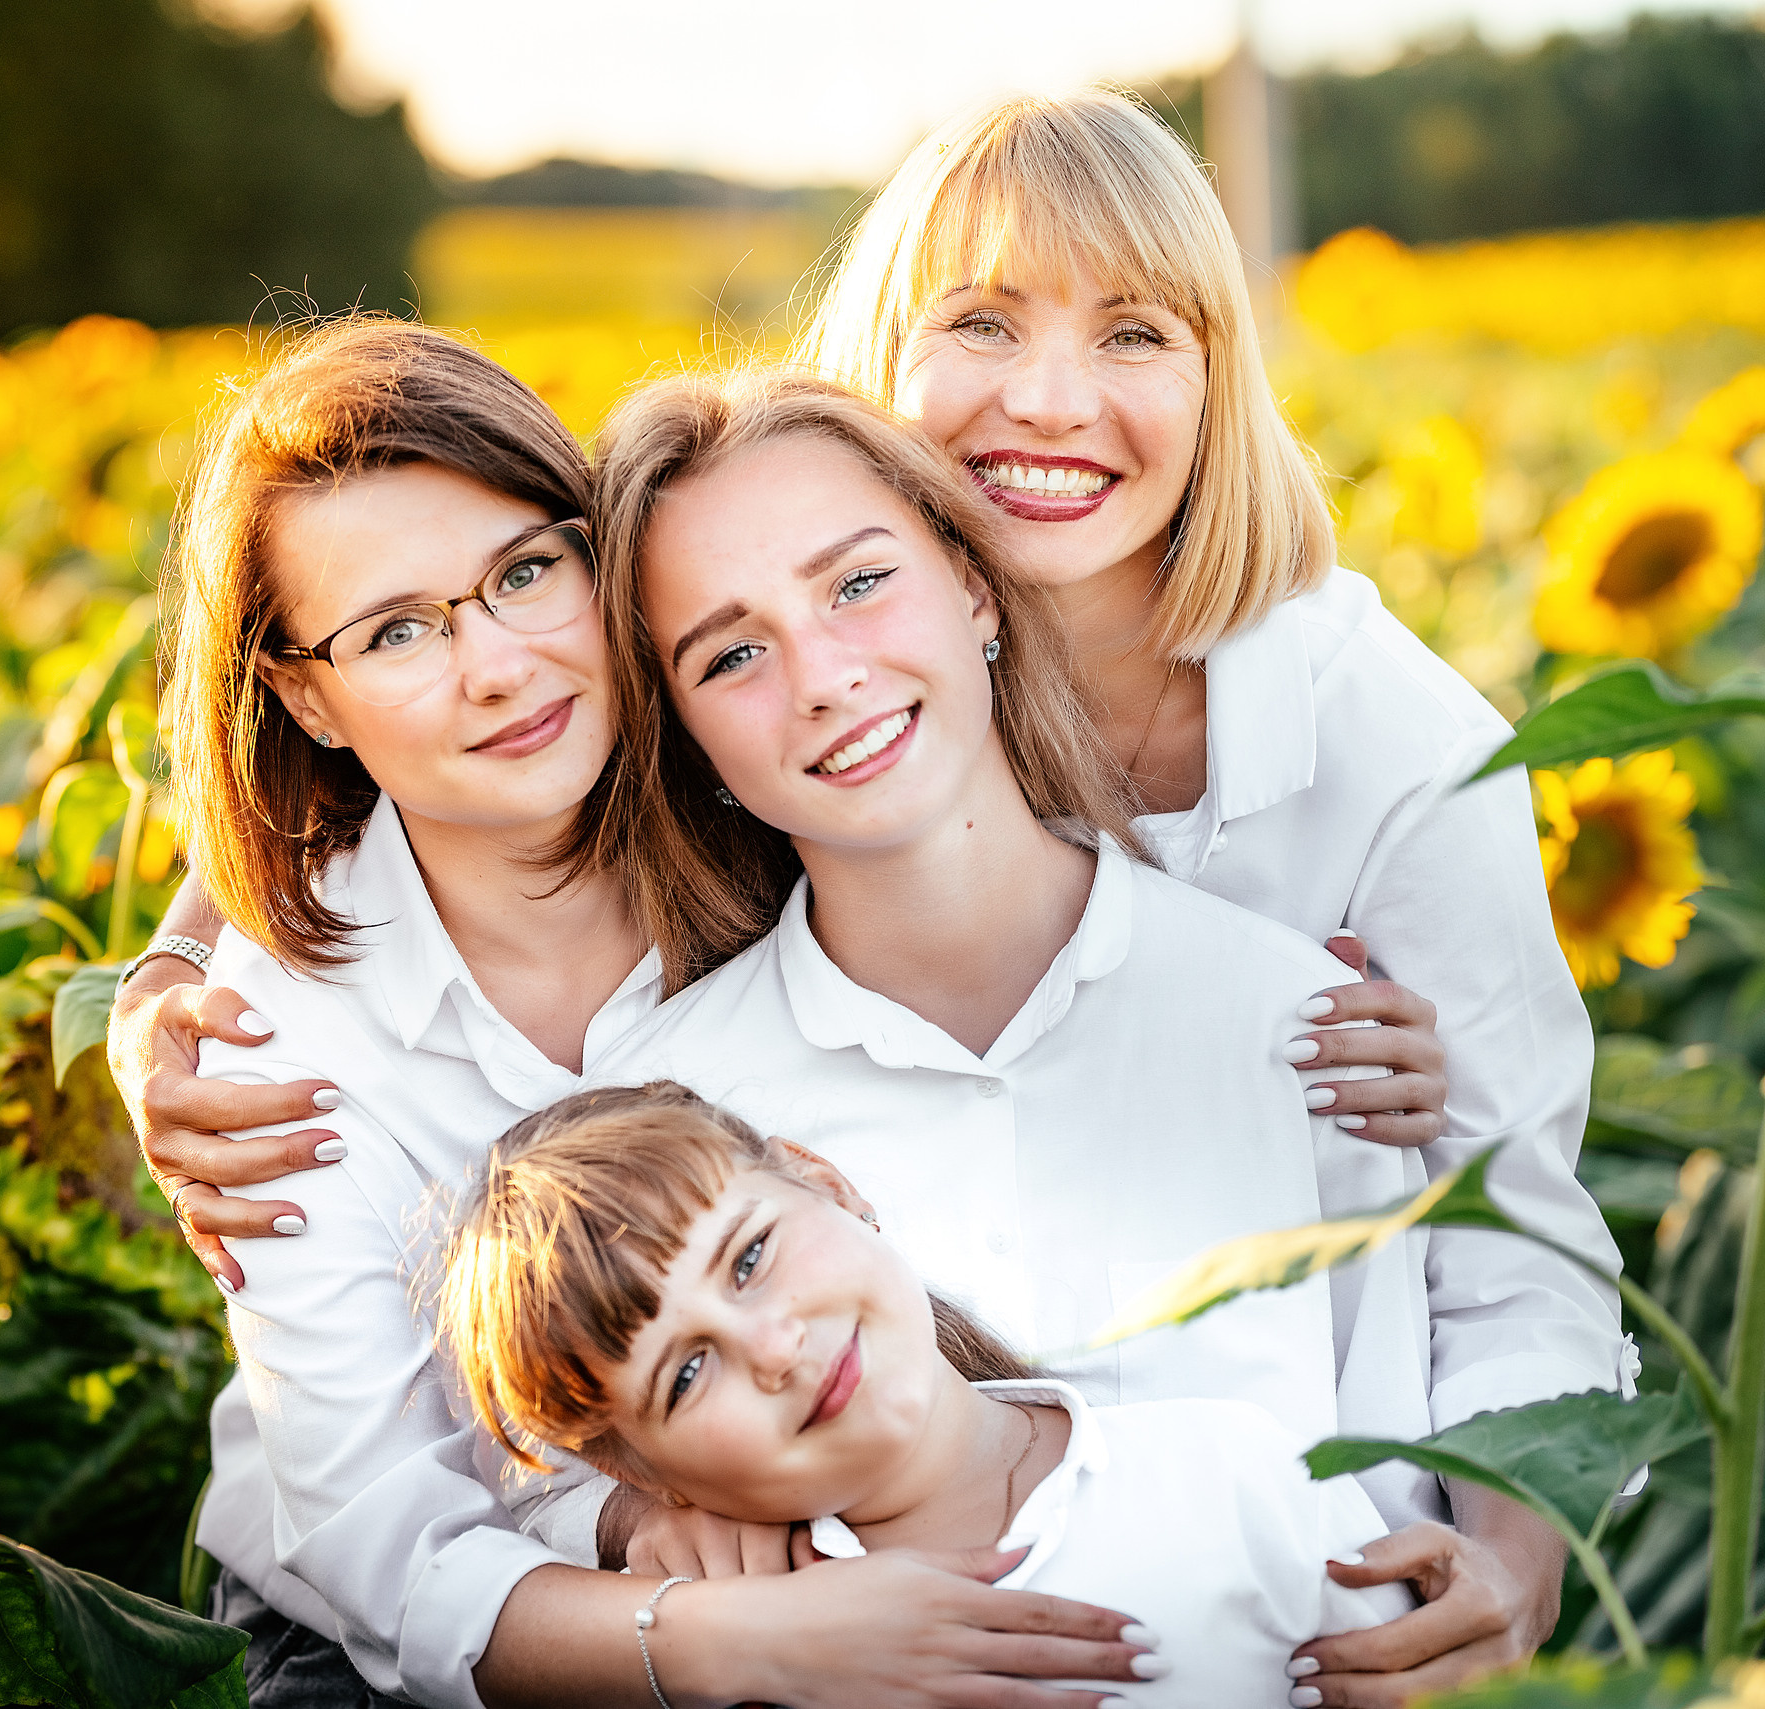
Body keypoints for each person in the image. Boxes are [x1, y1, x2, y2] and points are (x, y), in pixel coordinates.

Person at [119, 86, 1627, 1701]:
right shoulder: (693, 932)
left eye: (1137, 331)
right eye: (982, 319)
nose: (1051, 398)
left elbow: (1514, 1231)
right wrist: (162, 979)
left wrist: (1505, 1567)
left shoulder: (1362, 770)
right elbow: (420, 1509)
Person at [158, 316, 1153, 1709]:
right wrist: (718, 1621)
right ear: (306, 697)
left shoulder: (764, 776)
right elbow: (388, 1553)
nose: (498, 668)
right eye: (398, 632)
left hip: (860, 1460)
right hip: (418, 1621)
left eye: (523, 574)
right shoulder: (279, 1045)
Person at [434, 1081, 1416, 1707]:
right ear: (634, 1469)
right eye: (685, 1374)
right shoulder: (734, 1662)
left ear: (824, 1180)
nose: (772, 1346)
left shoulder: (1230, 1469)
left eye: (750, 1257)